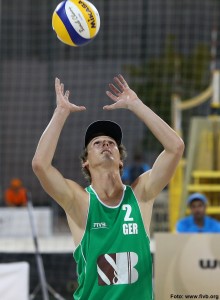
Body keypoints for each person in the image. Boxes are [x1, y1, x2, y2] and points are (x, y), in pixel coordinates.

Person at [32, 74, 184, 300]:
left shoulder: (141, 194)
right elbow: (40, 165)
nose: (105, 144)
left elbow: (175, 147)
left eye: (111, 143)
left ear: (121, 160)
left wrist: (136, 104)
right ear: (86, 161)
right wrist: (60, 113)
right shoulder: (80, 201)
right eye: (97, 143)